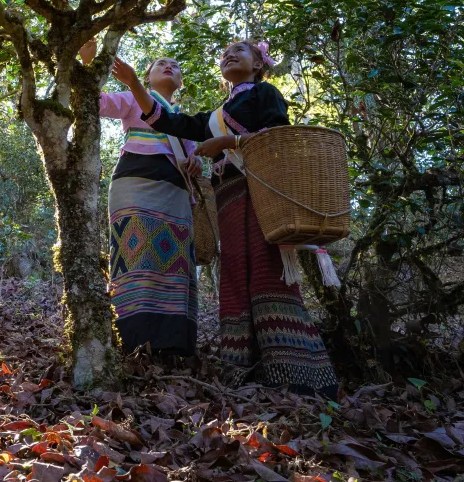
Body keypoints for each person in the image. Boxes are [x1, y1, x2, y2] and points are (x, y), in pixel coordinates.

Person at [110, 40, 339, 397]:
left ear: (258, 64)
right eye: (225, 53)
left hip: (261, 191)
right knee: (234, 270)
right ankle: (240, 365)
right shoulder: (216, 115)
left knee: (265, 268)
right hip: (228, 197)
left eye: (240, 51)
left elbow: (278, 139)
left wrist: (230, 142)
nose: (230, 55)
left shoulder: (265, 93)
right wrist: (135, 85)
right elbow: (168, 121)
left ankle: (294, 371)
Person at [80, 40, 201, 357]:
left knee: (175, 259)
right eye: (161, 63)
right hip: (133, 183)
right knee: (134, 253)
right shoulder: (133, 98)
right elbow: (96, 103)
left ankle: (173, 341)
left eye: (175, 65)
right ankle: (133, 336)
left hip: (175, 191)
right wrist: (89, 64)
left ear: (180, 82)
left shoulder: (182, 118)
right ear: (147, 77)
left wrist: (196, 161)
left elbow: (193, 156)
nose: (169, 66)